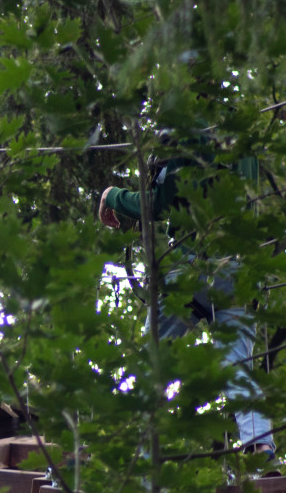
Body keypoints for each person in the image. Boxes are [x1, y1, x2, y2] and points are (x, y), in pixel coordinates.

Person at [97, 136, 275, 461]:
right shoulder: (245, 147)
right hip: (238, 270)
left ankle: (143, 456)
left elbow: (158, 203)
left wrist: (113, 196)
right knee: (237, 366)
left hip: (192, 266)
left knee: (156, 359)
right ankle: (260, 445)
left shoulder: (186, 133)